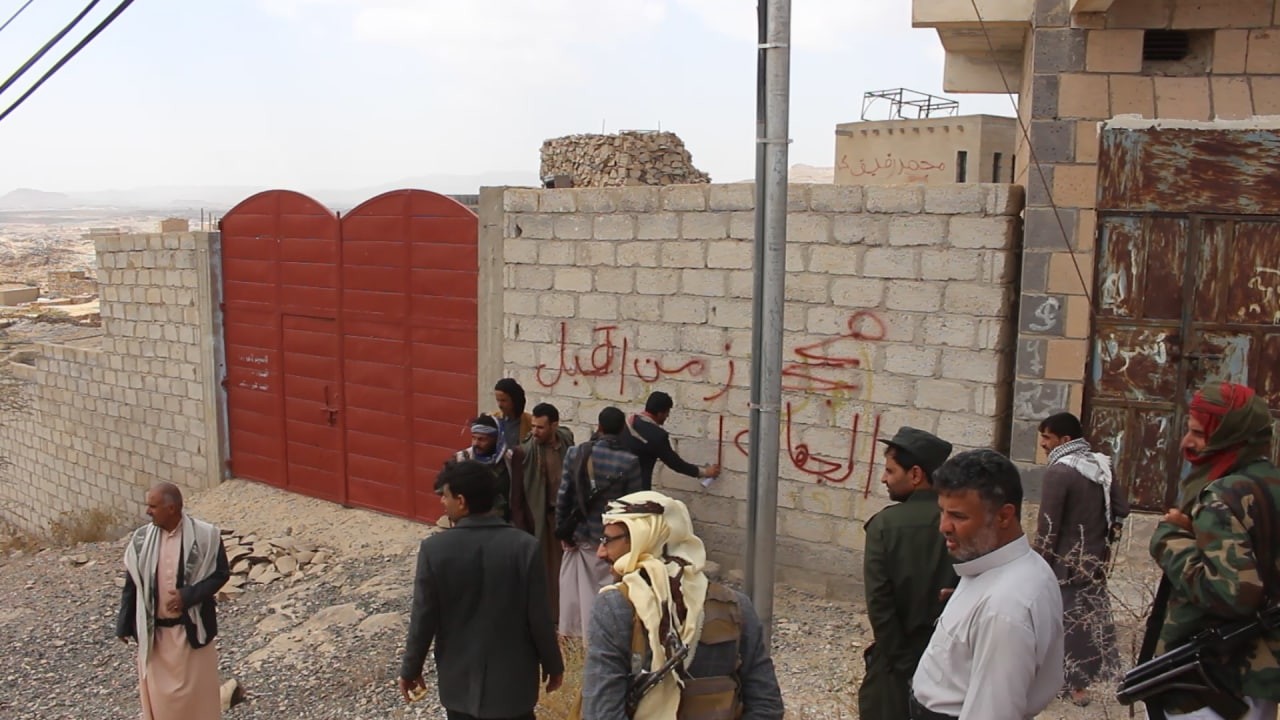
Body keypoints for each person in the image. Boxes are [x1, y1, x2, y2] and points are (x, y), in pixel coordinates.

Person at [581, 491, 784, 718]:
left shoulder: (614, 606)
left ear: (643, 538)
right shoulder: (735, 605)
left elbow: (600, 713)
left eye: (607, 540)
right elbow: (768, 707)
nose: (600, 552)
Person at [1144, 382, 1280, 720]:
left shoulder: (1222, 497)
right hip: (1258, 679)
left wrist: (1170, 537)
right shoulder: (1269, 483)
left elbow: (1233, 594)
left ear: (1231, 436)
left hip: (1213, 682)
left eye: (1198, 434)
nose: (1186, 443)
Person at [399, 460, 564, 719]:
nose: (442, 501)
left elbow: (423, 618)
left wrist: (411, 669)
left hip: (461, 688)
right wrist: (553, 665)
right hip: (513, 687)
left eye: (446, 495)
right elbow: (540, 618)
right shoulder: (525, 547)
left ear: (461, 501)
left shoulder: (435, 551)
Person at [911, 449, 1064, 720]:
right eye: (942, 511)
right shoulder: (1005, 568)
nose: (943, 526)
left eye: (958, 516)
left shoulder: (1004, 609)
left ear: (1004, 516)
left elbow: (992, 713)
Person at [859, 427, 958, 720]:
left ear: (915, 474)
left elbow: (880, 605)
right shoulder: (965, 521)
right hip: (951, 669)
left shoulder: (885, 526)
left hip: (895, 670)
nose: (883, 478)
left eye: (890, 470)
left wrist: (906, 666)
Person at [1034, 411, 1130, 707]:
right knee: (1089, 624)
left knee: (1064, 625)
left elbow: (1048, 528)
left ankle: (1067, 685)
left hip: (1063, 564)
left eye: (1047, 438)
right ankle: (1081, 684)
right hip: (1094, 562)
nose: (1043, 444)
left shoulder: (1059, 472)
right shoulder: (1100, 465)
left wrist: (1036, 563)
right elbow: (1122, 508)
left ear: (1065, 440)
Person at [116, 482, 230, 720]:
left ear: (172, 508)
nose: (148, 511)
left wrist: (188, 596)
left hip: (193, 635)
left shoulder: (206, 536)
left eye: (153, 506)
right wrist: (124, 624)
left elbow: (220, 574)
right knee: (163, 706)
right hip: (156, 638)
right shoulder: (141, 540)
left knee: (199, 704)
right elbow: (132, 583)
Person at [554, 406, 644, 638]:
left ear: (599, 426)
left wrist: (563, 530)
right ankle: (597, 639)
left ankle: (574, 639)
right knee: (601, 594)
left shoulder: (576, 453)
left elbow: (563, 495)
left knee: (574, 594)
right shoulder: (630, 462)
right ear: (622, 429)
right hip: (609, 541)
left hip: (578, 536)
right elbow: (632, 509)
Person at [514, 402, 575, 624]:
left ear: (554, 426)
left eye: (540, 427)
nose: (534, 432)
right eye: (533, 426)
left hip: (565, 518)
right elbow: (517, 496)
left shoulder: (566, 441)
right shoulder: (525, 452)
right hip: (541, 519)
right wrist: (522, 527)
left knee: (567, 569)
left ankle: (566, 617)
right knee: (544, 571)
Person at [625, 391, 720, 490]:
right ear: (660, 413)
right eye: (667, 412)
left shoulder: (630, 422)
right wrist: (705, 472)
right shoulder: (657, 436)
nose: (667, 416)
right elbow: (675, 464)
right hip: (638, 488)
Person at [454, 414, 522, 522]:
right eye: (473, 438)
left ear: (496, 439)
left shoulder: (509, 459)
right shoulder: (461, 459)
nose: (476, 443)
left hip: (502, 522)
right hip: (469, 523)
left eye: (482, 439)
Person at [493, 377, 533, 449]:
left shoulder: (530, 422)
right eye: (498, 400)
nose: (500, 405)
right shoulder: (493, 420)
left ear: (514, 400)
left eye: (503, 400)